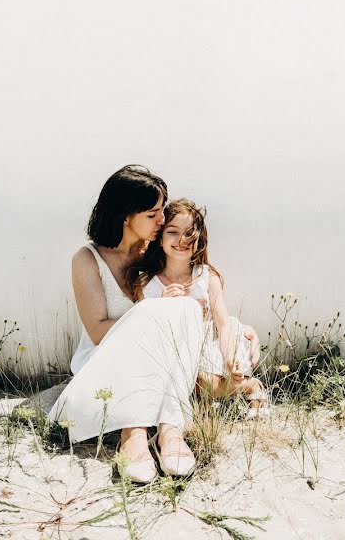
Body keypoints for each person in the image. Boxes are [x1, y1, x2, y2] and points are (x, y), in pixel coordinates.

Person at [49, 165, 259, 483]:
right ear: (125, 215)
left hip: (158, 360)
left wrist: (235, 328)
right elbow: (97, 331)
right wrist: (158, 314)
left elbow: (197, 292)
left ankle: (171, 434)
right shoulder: (87, 259)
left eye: (162, 212)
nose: (162, 221)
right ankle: (132, 437)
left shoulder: (154, 254)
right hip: (109, 360)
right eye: (153, 214)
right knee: (166, 315)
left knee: (180, 311)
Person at [131, 199, 268, 418]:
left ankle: (250, 386)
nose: (181, 240)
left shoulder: (206, 278)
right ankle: (212, 400)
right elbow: (144, 327)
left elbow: (223, 325)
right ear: (160, 238)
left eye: (189, 233)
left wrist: (230, 358)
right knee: (178, 383)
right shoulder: (147, 284)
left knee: (202, 382)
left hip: (207, 345)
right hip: (170, 350)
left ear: (199, 238)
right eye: (173, 232)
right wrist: (162, 306)